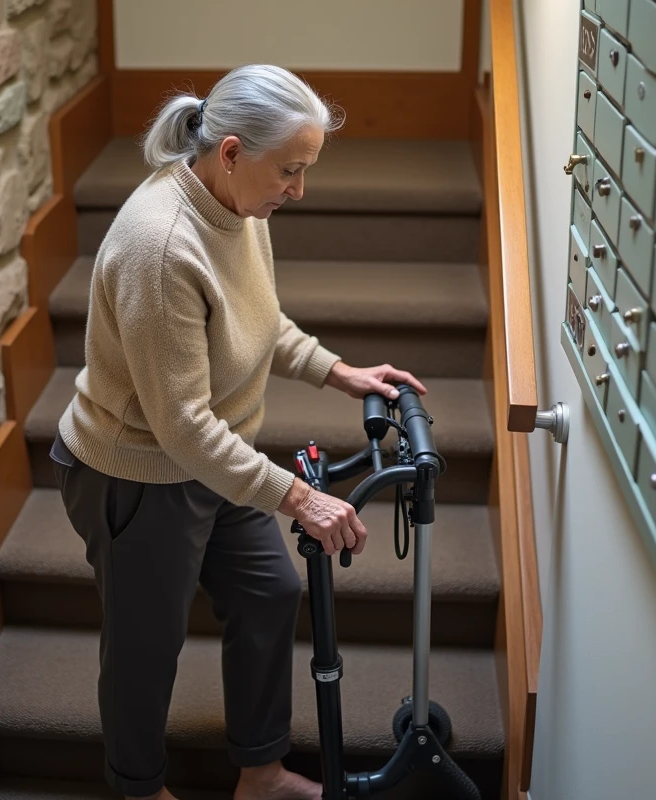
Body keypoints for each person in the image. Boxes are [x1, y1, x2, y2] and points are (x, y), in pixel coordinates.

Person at [49, 64, 427, 800]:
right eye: (290, 169)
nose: (299, 189)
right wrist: (299, 497)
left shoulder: (241, 211)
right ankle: (138, 788)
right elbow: (183, 425)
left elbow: (259, 321)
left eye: (305, 169)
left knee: (269, 591)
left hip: (209, 459)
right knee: (144, 649)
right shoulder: (160, 249)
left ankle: (261, 772)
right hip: (136, 474)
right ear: (229, 152)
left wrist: (338, 371)